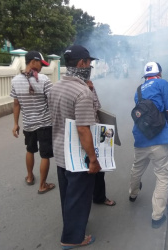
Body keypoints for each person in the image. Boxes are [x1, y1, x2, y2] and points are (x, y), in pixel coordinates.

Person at [48, 45, 101, 249]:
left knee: (69, 195)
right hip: (77, 156)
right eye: (89, 62)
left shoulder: (56, 87)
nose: (90, 66)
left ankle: (73, 224)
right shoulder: (81, 92)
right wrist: (93, 160)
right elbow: (83, 130)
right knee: (79, 195)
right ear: (81, 63)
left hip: (60, 151)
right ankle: (72, 238)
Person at [129, 61, 168, 228]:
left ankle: (133, 193)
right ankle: (157, 217)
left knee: (138, 167)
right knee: (163, 176)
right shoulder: (162, 83)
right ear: (160, 73)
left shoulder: (138, 90)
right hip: (160, 137)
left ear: (145, 76)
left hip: (141, 136)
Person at [10, 51, 55, 194]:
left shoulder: (15, 80)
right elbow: (52, 101)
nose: (42, 66)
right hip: (44, 124)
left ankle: (30, 177)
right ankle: (42, 185)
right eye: (41, 63)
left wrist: (16, 123)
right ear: (33, 62)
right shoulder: (44, 80)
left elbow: (16, 104)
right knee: (45, 155)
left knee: (30, 150)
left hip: (28, 124)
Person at [86, 80, 116, 207]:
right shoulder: (86, 87)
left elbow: (97, 107)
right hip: (87, 131)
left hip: (92, 130)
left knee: (95, 167)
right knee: (94, 165)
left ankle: (97, 197)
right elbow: (97, 106)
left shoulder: (88, 86)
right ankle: (95, 197)